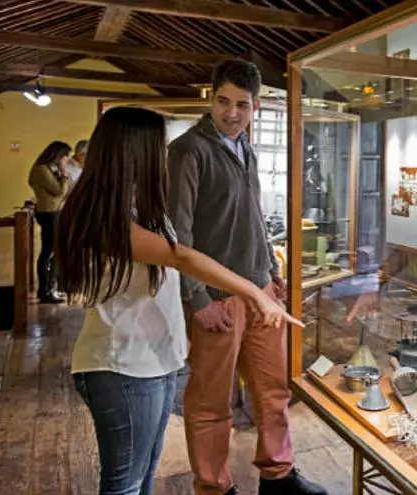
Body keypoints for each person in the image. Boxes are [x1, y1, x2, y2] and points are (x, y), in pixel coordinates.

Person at [56, 106, 301, 495]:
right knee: (125, 485)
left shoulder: (138, 207)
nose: (165, 153)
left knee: (142, 477)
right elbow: (181, 256)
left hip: (152, 360)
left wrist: (263, 273)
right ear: (135, 151)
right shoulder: (104, 218)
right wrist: (253, 292)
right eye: (160, 145)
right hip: (122, 365)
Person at [168, 59, 327, 495]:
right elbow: (177, 235)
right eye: (223, 102)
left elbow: (254, 216)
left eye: (242, 105)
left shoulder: (246, 148)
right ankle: (214, 487)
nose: (231, 113)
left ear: (255, 106)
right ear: (211, 98)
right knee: (210, 402)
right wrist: (197, 299)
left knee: (274, 392)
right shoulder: (187, 151)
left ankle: (278, 476)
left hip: (262, 293)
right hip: (216, 299)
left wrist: (272, 271)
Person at [28, 140, 72, 303]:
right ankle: (45, 291)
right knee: (49, 252)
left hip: (55, 212)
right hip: (49, 213)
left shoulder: (48, 169)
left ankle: (51, 288)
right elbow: (60, 191)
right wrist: (64, 173)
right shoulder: (41, 170)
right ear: (58, 155)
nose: (67, 159)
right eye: (65, 156)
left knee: (54, 251)